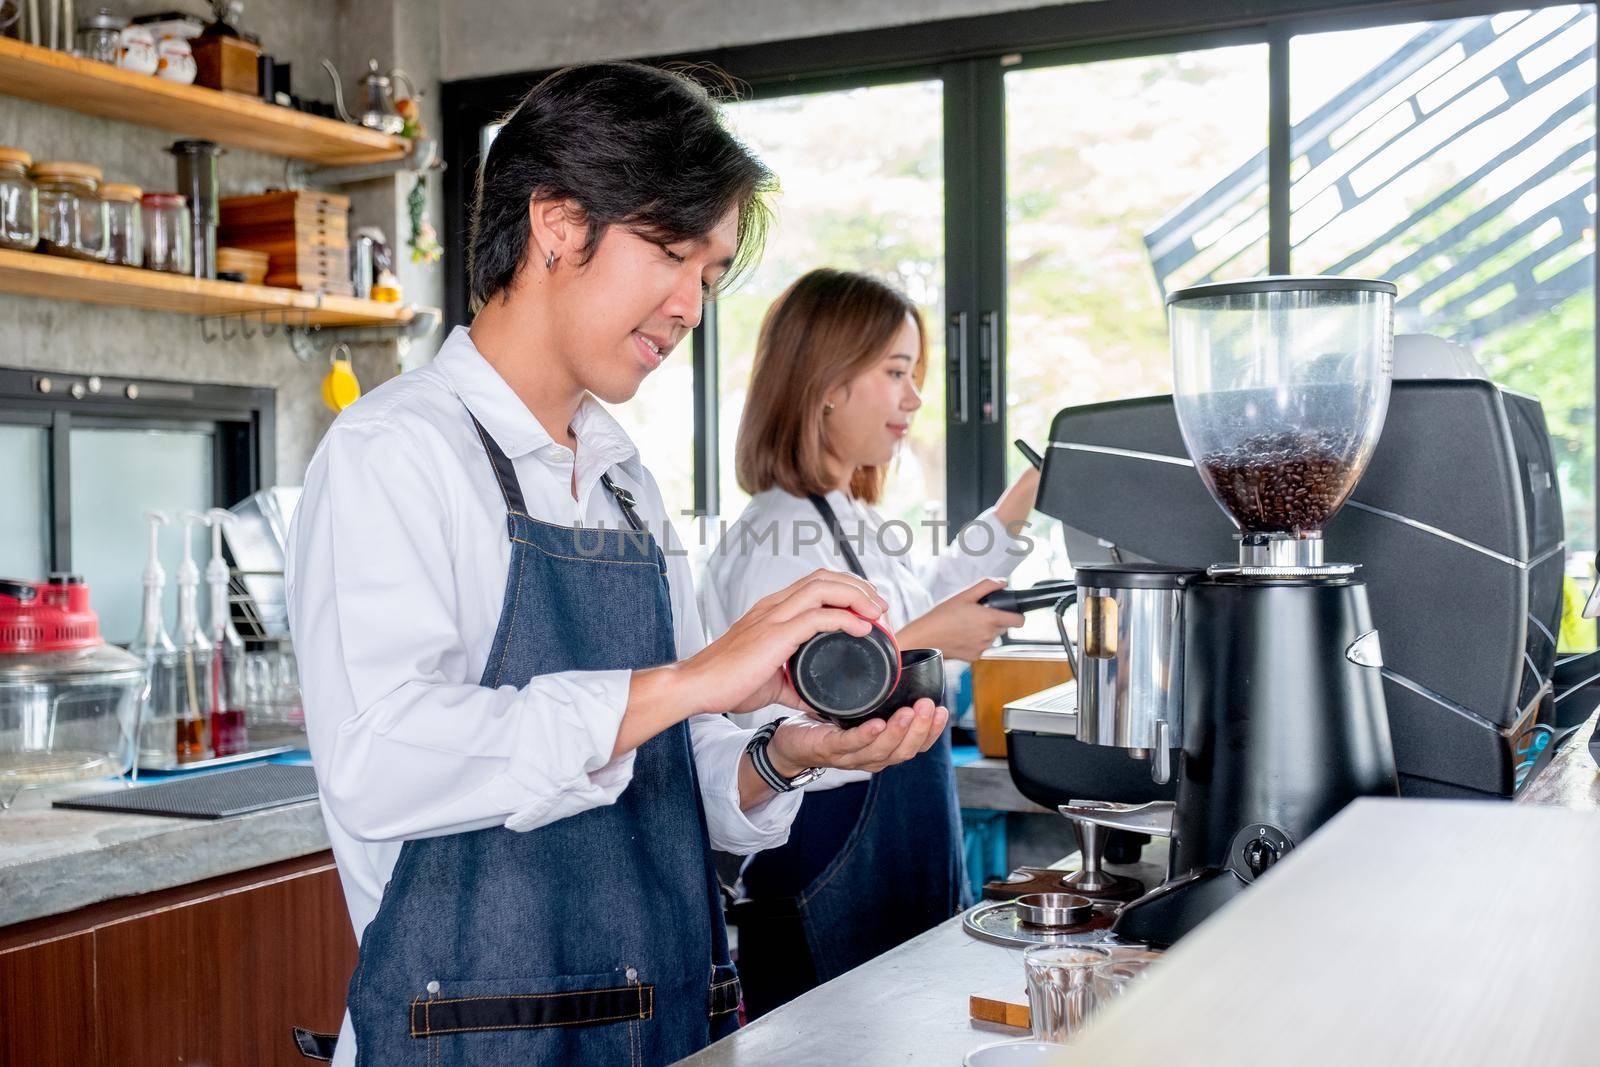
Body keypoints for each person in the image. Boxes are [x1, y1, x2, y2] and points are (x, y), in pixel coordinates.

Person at [285, 68, 948, 1067]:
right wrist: (690, 679)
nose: (689, 305)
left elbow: (671, 775)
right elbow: (384, 758)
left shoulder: (627, 482)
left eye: (711, 274)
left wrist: (787, 754)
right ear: (556, 223)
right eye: (672, 253)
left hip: (657, 1030)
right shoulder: (397, 450)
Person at [702, 268, 1040, 1018]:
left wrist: (1021, 503)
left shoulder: (850, 516)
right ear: (827, 384)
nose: (915, 400)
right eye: (896, 373)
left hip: (893, 860)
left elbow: (925, 597)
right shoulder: (774, 537)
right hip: (824, 870)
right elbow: (789, 720)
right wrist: (931, 638)